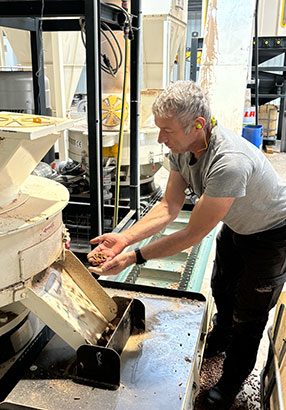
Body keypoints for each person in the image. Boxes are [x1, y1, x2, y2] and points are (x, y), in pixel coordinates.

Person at [88, 80, 286, 409]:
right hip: (238, 227)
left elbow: (191, 235)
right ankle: (220, 339)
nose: (161, 139)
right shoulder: (184, 151)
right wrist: (124, 238)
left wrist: (133, 257)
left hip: (272, 234)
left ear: (197, 125)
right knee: (223, 288)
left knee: (249, 317)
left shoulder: (229, 163)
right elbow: (168, 207)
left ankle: (229, 386)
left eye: (167, 131)